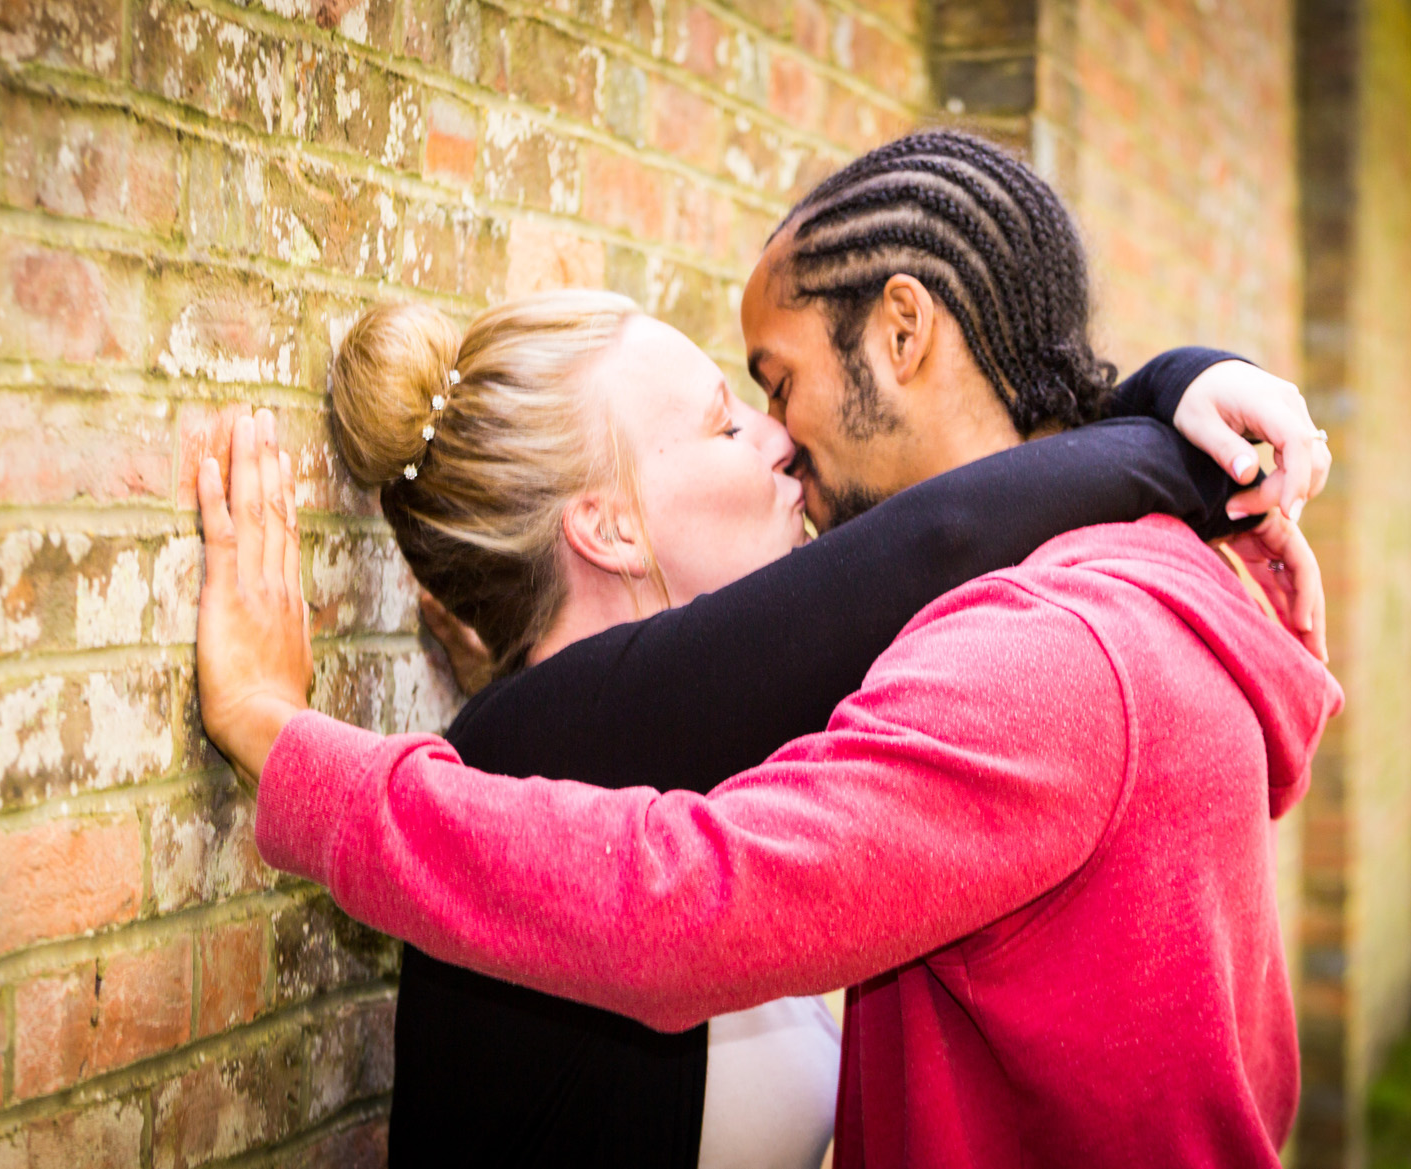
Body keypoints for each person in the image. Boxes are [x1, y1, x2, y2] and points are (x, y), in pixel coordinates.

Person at [197, 132, 1337, 1167]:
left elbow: (918, 549)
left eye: (774, 384)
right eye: (729, 415)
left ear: (903, 333)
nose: (778, 438)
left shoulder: (1031, 653)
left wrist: (1172, 416)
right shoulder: (552, 741)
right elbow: (907, 559)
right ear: (604, 525)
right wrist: (1174, 442)